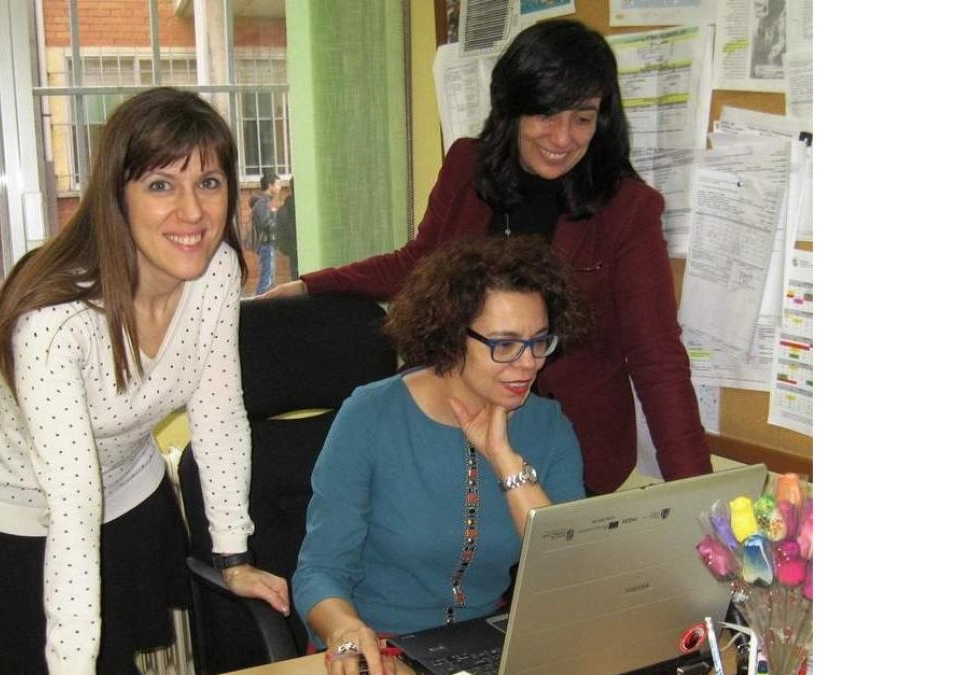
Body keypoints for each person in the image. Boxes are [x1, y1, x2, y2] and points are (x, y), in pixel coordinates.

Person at [261, 19, 712, 495]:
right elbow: (418, 264)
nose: (563, 138)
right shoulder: (466, 166)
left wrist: (698, 499)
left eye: (582, 118)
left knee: (536, 566)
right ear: (512, 108)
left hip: (569, 448)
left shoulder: (628, 209)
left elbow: (656, 356)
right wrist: (313, 285)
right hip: (454, 425)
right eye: (545, 115)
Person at [0, 87, 289, 675]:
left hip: (130, 492)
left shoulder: (215, 272)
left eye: (208, 183)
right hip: (26, 516)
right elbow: (73, 508)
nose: (193, 213)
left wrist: (233, 552)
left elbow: (219, 414)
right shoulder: (54, 324)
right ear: (116, 196)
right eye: (161, 185)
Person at [292, 237, 590, 675]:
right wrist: (345, 630)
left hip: (486, 649)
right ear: (452, 335)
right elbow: (319, 569)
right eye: (504, 345)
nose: (528, 364)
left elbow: (571, 570)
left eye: (540, 341)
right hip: (377, 652)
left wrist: (505, 460)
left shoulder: (548, 427)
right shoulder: (372, 415)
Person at [251, 171, 282, 294]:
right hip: (266, 244)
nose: (280, 187)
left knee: (269, 279)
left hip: (267, 244)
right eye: (278, 184)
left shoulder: (264, 202)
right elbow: (266, 224)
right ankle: (259, 306)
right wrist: (276, 217)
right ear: (270, 186)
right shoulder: (262, 203)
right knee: (267, 281)